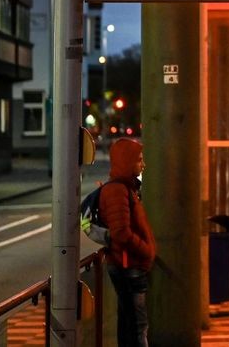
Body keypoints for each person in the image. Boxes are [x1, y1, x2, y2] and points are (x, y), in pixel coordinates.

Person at [100, 138, 155, 347]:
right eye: (139, 160)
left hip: (129, 263)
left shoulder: (126, 187)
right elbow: (121, 232)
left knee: (130, 322)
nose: (143, 165)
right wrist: (146, 250)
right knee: (137, 326)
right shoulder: (117, 190)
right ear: (127, 161)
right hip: (128, 264)